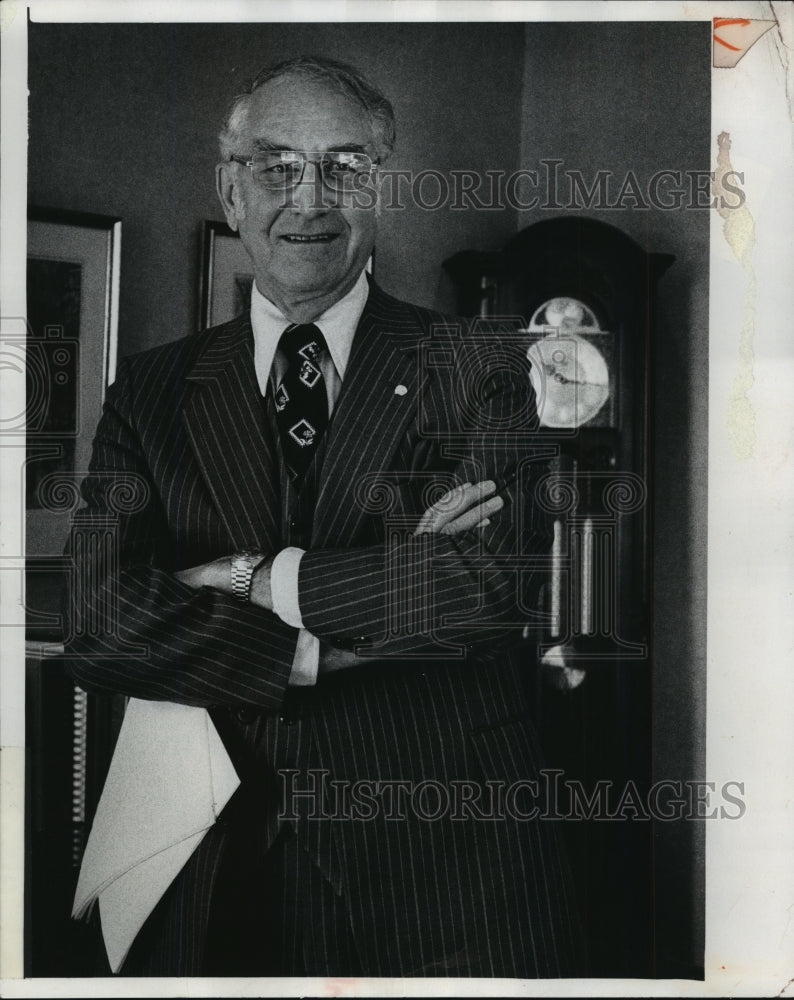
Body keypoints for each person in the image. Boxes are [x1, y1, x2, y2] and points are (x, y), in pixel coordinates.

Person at [64, 54, 583, 978]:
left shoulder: (486, 363)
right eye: (276, 166)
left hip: (445, 875)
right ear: (232, 189)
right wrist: (316, 645)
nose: (309, 199)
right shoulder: (150, 390)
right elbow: (100, 619)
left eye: (344, 166)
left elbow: (491, 583)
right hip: (216, 861)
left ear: (382, 188)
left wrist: (248, 576)